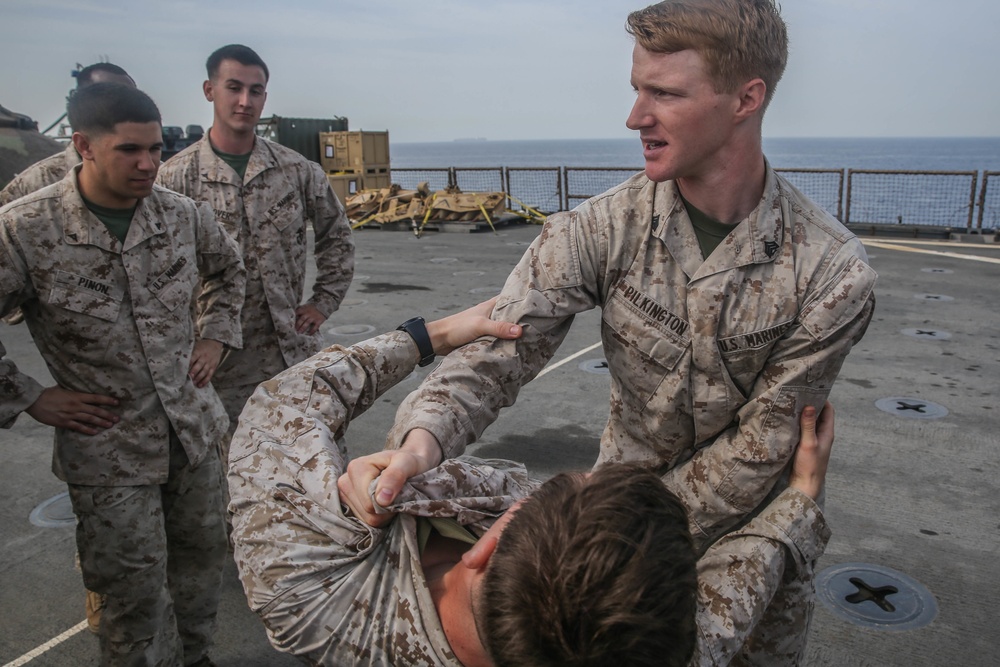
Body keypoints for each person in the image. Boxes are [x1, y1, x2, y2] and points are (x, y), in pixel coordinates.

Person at [341, 1, 875, 660]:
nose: (635, 117)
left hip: (742, 550)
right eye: (636, 89)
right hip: (604, 555)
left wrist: (604, 530)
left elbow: (764, 444)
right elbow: (499, 348)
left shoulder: (829, 271)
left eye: (665, 93)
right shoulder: (600, 228)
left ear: (747, 98)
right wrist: (420, 444)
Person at [226, 298, 834, 666]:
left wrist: (429, 336)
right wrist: (799, 501)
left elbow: (282, 403)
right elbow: (736, 594)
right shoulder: (646, 654)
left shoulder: (305, 585)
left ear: (488, 543)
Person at [0, 83, 245, 667]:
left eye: (156, 150)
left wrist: (214, 337)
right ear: (83, 145)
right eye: (130, 151)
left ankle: (198, 658)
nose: (148, 164)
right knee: (130, 593)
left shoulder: (181, 215)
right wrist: (29, 395)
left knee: (201, 567)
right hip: (108, 448)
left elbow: (229, 272)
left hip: (193, 433)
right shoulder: (25, 229)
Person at [156, 44, 355, 461]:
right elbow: (154, 270)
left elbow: (336, 234)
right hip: (221, 361)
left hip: (292, 348)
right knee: (237, 473)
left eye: (256, 91)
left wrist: (322, 302)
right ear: (210, 90)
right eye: (234, 88)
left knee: (319, 460)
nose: (245, 101)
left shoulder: (296, 170)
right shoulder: (175, 178)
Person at [0, 62, 136, 208]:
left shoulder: (153, 176)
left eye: (133, 98)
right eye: (110, 96)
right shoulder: (36, 183)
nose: (125, 106)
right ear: (80, 102)